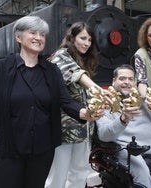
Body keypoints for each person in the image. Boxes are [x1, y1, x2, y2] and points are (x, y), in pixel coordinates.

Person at [0, 16, 103, 188]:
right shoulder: (1, 69)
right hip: (6, 151)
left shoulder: (51, 71)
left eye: (42, 34)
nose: (38, 37)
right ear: (18, 37)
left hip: (40, 153)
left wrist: (85, 113)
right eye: (32, 32)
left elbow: (66, 102)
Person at [45, 21, 107, 188]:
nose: (87, 43)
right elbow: (76, 74)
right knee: (57, 177)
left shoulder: (83, 60)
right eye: (83, 38)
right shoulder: (60, 56)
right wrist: (98, 89)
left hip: (84, 129)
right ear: (72, 38)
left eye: (90, 40)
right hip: (64, 132)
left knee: (79, 175)